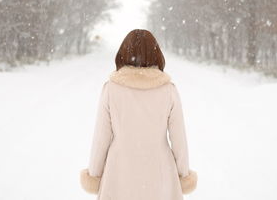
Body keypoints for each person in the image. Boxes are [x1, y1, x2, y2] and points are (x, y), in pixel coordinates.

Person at [80, 29, 197, 200]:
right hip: (160, 170)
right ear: (156, 55)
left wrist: (94, 174)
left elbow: (101, 138)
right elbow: (179, 139)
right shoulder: (168, 90)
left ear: (123, 54)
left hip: (119, 170)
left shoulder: (111, 89)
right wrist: (183, 175)